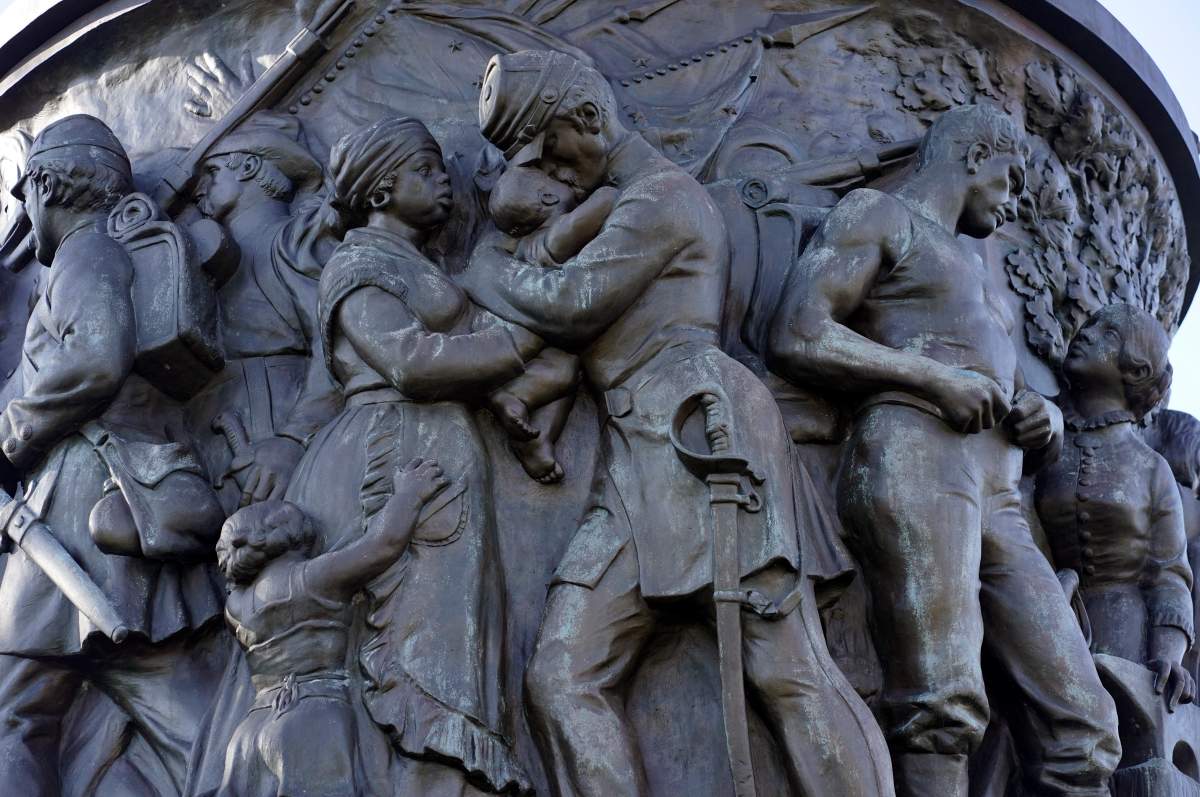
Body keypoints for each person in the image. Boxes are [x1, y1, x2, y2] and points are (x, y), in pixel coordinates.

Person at [463, 49, 893, 797]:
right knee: (563, 673)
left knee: (787, 667)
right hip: (639, 456)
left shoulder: (661, 199)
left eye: (551, 150)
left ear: (589, 121)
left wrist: (485, 269)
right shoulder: (615, 204)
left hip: (703, 437)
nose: (552, 172)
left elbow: (570, 306)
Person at [767, 103, 1121, 796]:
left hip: (998, 490)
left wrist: (1041, 412)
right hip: (914, 456)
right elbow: (799, 331)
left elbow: (1009, 384)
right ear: (976, 154)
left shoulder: (980, 274)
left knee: (1084, 719)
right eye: (1011, 175)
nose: (1013, 195)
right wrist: (930, 376)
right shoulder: (877, 215)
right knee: (942, 701)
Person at [284, 115, 535, 795]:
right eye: (423, 169)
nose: (443, 180)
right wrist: (520, 344)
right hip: (389, 456)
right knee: (419, 648)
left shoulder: (414, 263)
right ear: (378, 190)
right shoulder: (358, 264)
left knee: (455, 639)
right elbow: (408, 360)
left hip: (439, 450)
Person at [0, 115, 228, 795]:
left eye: (24, 193)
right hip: (115, 501)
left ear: (45, 185)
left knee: (12, 710)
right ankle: (272, 769)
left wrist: (9, 432)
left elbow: (95, 359)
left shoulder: (83, 254)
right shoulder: (98, 252)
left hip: (78, 505)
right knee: (175, 703)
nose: (26, 210)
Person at [215, 458, 448, 797]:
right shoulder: (311, 579)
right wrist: (409, 494)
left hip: (248, 731)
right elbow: (381, 546)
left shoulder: (234, 607)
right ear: (289, 534)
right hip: (310, 714)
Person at [1037, 304, 1194, 709]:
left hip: (1122, 632)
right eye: (1087, 324)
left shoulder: (1151, 468)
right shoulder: (1042, 425)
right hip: (1041, 614)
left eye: (1107, 333)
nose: (1085, 333)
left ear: (1137, 370)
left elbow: (1169, 576)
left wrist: (1168, 656)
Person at [186, 110, 342, 513]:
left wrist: (293, 439)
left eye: (213, 172)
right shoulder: (204, 259)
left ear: (250, 165)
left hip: (276, 437)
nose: (198, 189)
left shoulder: (295, 242)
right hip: (214, 440)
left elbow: (340, 341)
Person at [477, 164, 616, 482]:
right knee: (563, 369)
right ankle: (517, 395)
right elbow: (608, 200)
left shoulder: (523, 245)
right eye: (556, 179)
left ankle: (539, 439)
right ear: (549, 195)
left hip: (540, 337)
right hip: (543, 331)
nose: (563, 177)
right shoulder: (556, 236)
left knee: (566, 374)